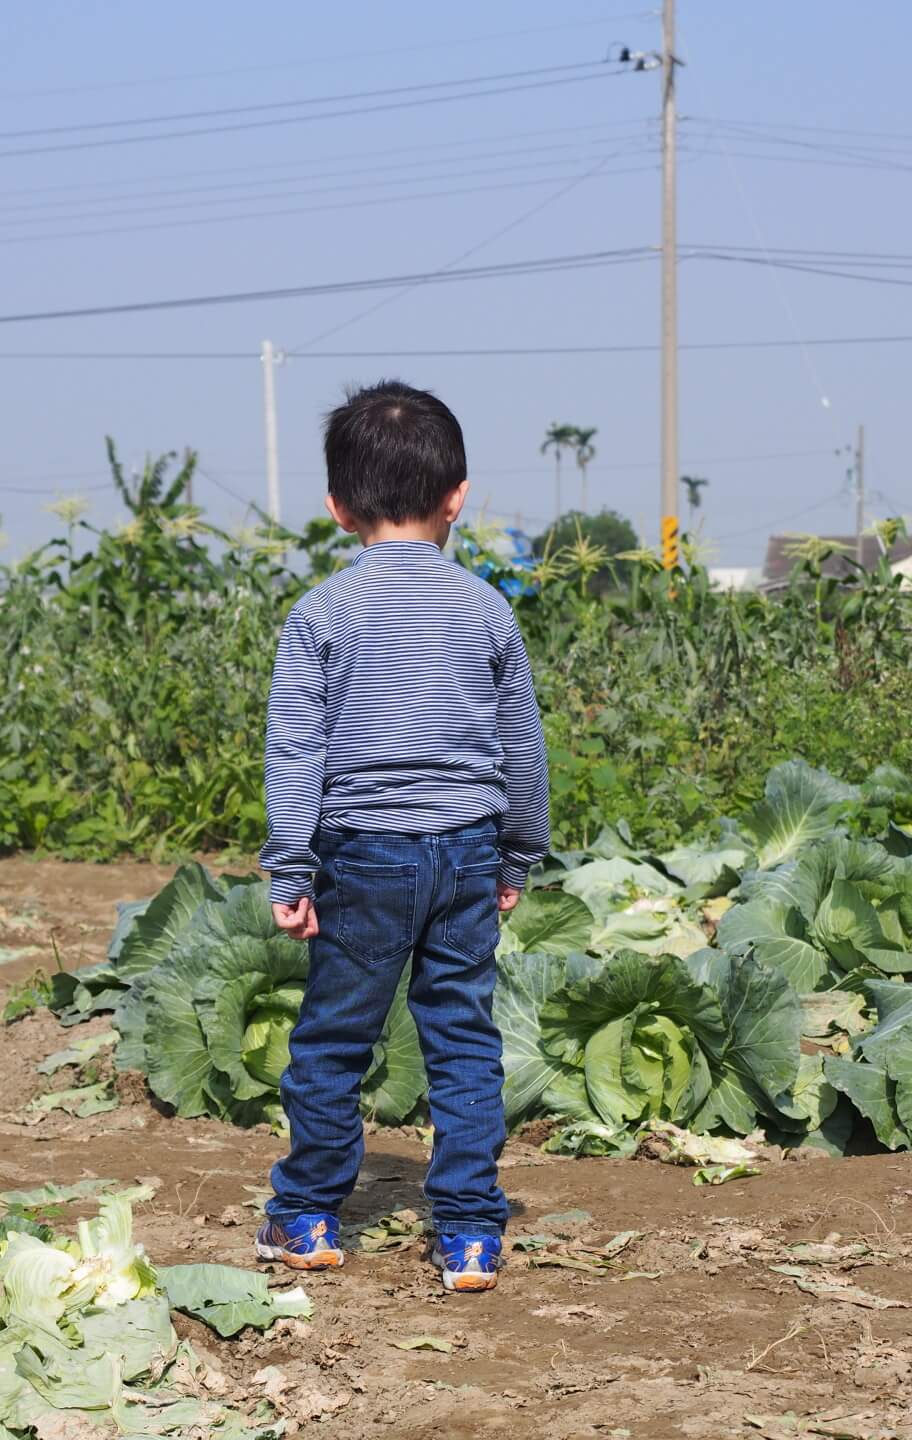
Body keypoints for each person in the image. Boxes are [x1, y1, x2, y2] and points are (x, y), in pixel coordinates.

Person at [254, 379, 549, 1294]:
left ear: (339, 508)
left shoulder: (323, 614)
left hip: (362, 853)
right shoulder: (486, 610)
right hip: (465, 847)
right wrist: (519, 852)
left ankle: (306, 1215)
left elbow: (296, 749)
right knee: (461, 1038)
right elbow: (522, 748)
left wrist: (289, 866)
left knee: (336, 1038)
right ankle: (466, 1232)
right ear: (457, 496)